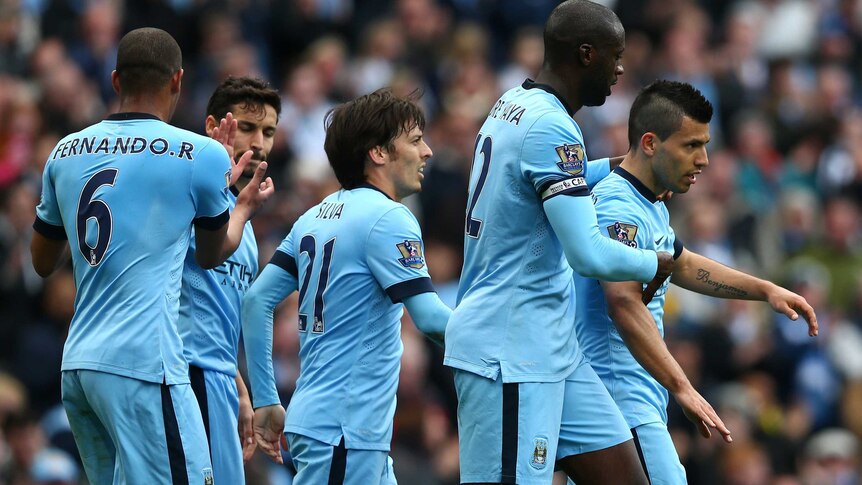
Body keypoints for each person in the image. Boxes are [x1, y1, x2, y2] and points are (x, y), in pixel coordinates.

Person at [442, 1, 678, 483]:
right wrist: (655, 261)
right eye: (615, 56)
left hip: (552, 347)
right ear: (586, 54)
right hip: (508, 350)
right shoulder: (552, 127)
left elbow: (541, 179)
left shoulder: (514, 102)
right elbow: (588, 253)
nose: (620, 68)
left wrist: (618, 168)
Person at [29, 28, 273, 484]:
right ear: (178, 81)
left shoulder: (64, 151)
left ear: (116, 79)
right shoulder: (199, 153)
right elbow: (213, 252)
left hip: (79, 366)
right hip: (144, 366)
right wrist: (240, 208)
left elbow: (43, 260)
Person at [573, 79, 818, 483]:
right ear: (650, 143)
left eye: (705, 145)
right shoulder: (619, 204)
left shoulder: (647, 203)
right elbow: (622, 301)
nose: (703, 159)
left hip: (628, 399)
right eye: (691, 145)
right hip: (617, 398)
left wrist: (765, 290)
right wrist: (682, 387)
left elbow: (682, 264)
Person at [242, 88, 451, 483]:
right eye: (415, 140)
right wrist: (502, 344)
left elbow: (256, 300)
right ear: (378, 152)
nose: (427, 152)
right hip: (343, 432)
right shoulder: (390, 217)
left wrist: (268, 399)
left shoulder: (314, 216)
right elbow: (430, 319)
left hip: (332, 426)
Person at [177, 76, 281, 484]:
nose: (259, 142)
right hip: (185, 373)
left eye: (268, 131)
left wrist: (238, 386)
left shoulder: (245, 213)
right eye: (248, 127)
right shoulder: (188, 191)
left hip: (217, 377)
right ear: (212, 126)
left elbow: (218, 311)